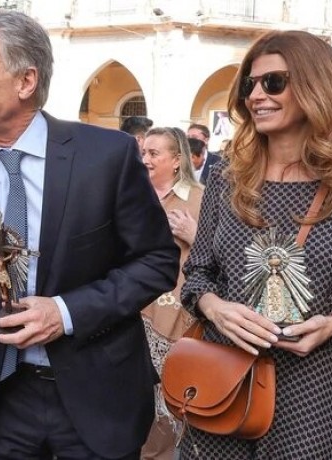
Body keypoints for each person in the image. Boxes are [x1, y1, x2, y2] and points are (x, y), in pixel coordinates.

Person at [0, 9, 179, 459]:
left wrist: (65, 312)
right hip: (3, 399)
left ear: (26, 81)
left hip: (97, 398)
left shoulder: (105, 157)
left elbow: (157, 262)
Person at [180, 30, 332, 458]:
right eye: (250, 84)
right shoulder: (228, 177)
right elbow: (198, 273)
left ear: (316, 85)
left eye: (274, 82)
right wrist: (215, 308)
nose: (255, 96)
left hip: (311, 395)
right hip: (223, 381)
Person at [137, 127, 203, 459]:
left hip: (174, 311)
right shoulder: (132, 192)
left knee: (164, 402)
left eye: (154, 153)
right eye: (143, 153)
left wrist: (194, 235)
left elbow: (224, 256)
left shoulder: (200, 197)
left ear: (177, 160)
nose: (145, 159)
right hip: (131, 306)